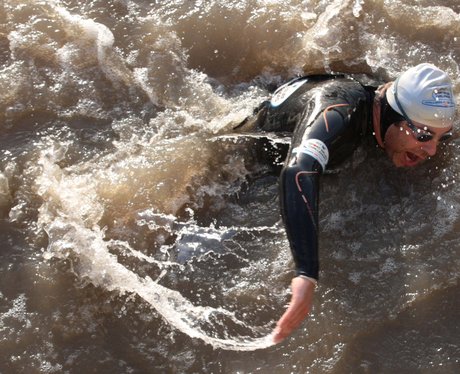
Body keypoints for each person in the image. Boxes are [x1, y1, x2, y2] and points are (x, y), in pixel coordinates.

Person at [235, 63, 457, 343]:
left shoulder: (397, 111)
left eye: (441, 137)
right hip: (254, 152)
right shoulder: (340, 117)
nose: (432, 150)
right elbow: (297, 171)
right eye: (424, 136)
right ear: (391, 114)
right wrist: (306, 273)